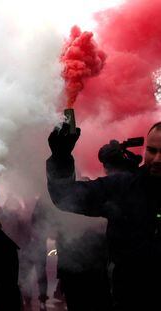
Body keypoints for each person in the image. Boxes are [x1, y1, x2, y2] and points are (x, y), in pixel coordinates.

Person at [47, 122, 161, 310]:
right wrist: (61, 157)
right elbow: (65, 196)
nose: (157, 159)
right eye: (151, 150)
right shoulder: (123, 188)